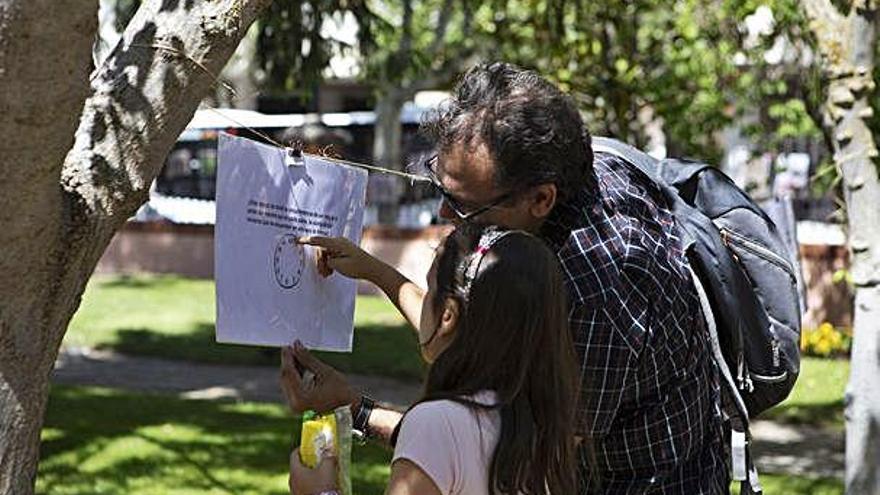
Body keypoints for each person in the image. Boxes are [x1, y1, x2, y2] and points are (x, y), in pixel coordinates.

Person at [290, 62, 728, 494]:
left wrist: (361, 415)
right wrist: (377, 272)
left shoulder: (595, 289)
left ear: (540, 198)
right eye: (440, 188)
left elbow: (520, 460)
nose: (445, 214)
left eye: (463, 204)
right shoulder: (544, 231)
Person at [283, 224, 580, 494]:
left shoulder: (437, 423)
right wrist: (354, 405)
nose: (422, 302)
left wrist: (320, 492)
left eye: (429, 291)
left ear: (448, 316)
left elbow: (439, 439)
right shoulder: (546, 424)